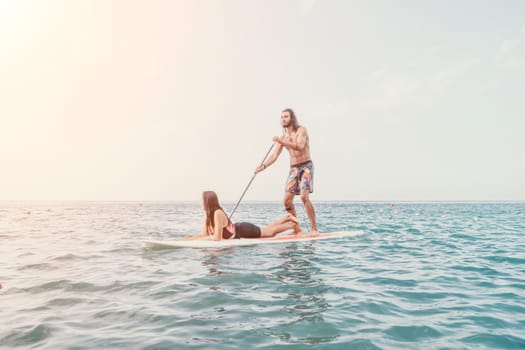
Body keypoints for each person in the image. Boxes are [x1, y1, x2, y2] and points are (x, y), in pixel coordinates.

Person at [255, 108, 318, 232]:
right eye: (282, 117)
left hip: (306, 167)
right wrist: (263, 166)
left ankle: (314, 228)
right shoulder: (283, 137)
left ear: (292, 118)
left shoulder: (301, 130)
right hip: (293, 169)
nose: (283, 119)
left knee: (304, 197)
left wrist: (281, 141)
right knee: (287, 202)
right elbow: (274, 156)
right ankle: (297, 228)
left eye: (286, 116)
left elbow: (299, 146)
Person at [185, 191, 302, 241]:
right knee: (267, 229)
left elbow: (217, 238)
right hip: (240, 228)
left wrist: (206, 238)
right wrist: (188, 240)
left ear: (207, 201)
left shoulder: (217, 213)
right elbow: (204, 235)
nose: (200, 202)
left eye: (201, 200)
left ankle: (292, 225)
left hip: (244, 230)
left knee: (270, 233)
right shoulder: (208, 216)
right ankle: (287, 218)